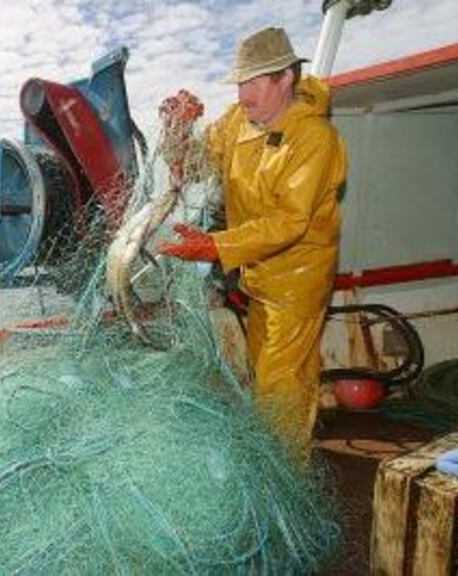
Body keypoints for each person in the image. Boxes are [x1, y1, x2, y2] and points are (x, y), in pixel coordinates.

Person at [157, 27, 347, 459]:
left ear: (285, 78)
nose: (243, 94)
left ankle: (285, 479)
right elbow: (190, 168)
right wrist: (178, 129)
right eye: (240, 83)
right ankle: (285, 449)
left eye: (254, 82)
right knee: (270, 377)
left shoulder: (316, 139)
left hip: (298, 281)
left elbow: (289, 221)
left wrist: (215, 247)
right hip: (257, 276)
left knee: (281, 385)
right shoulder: (236, 123)